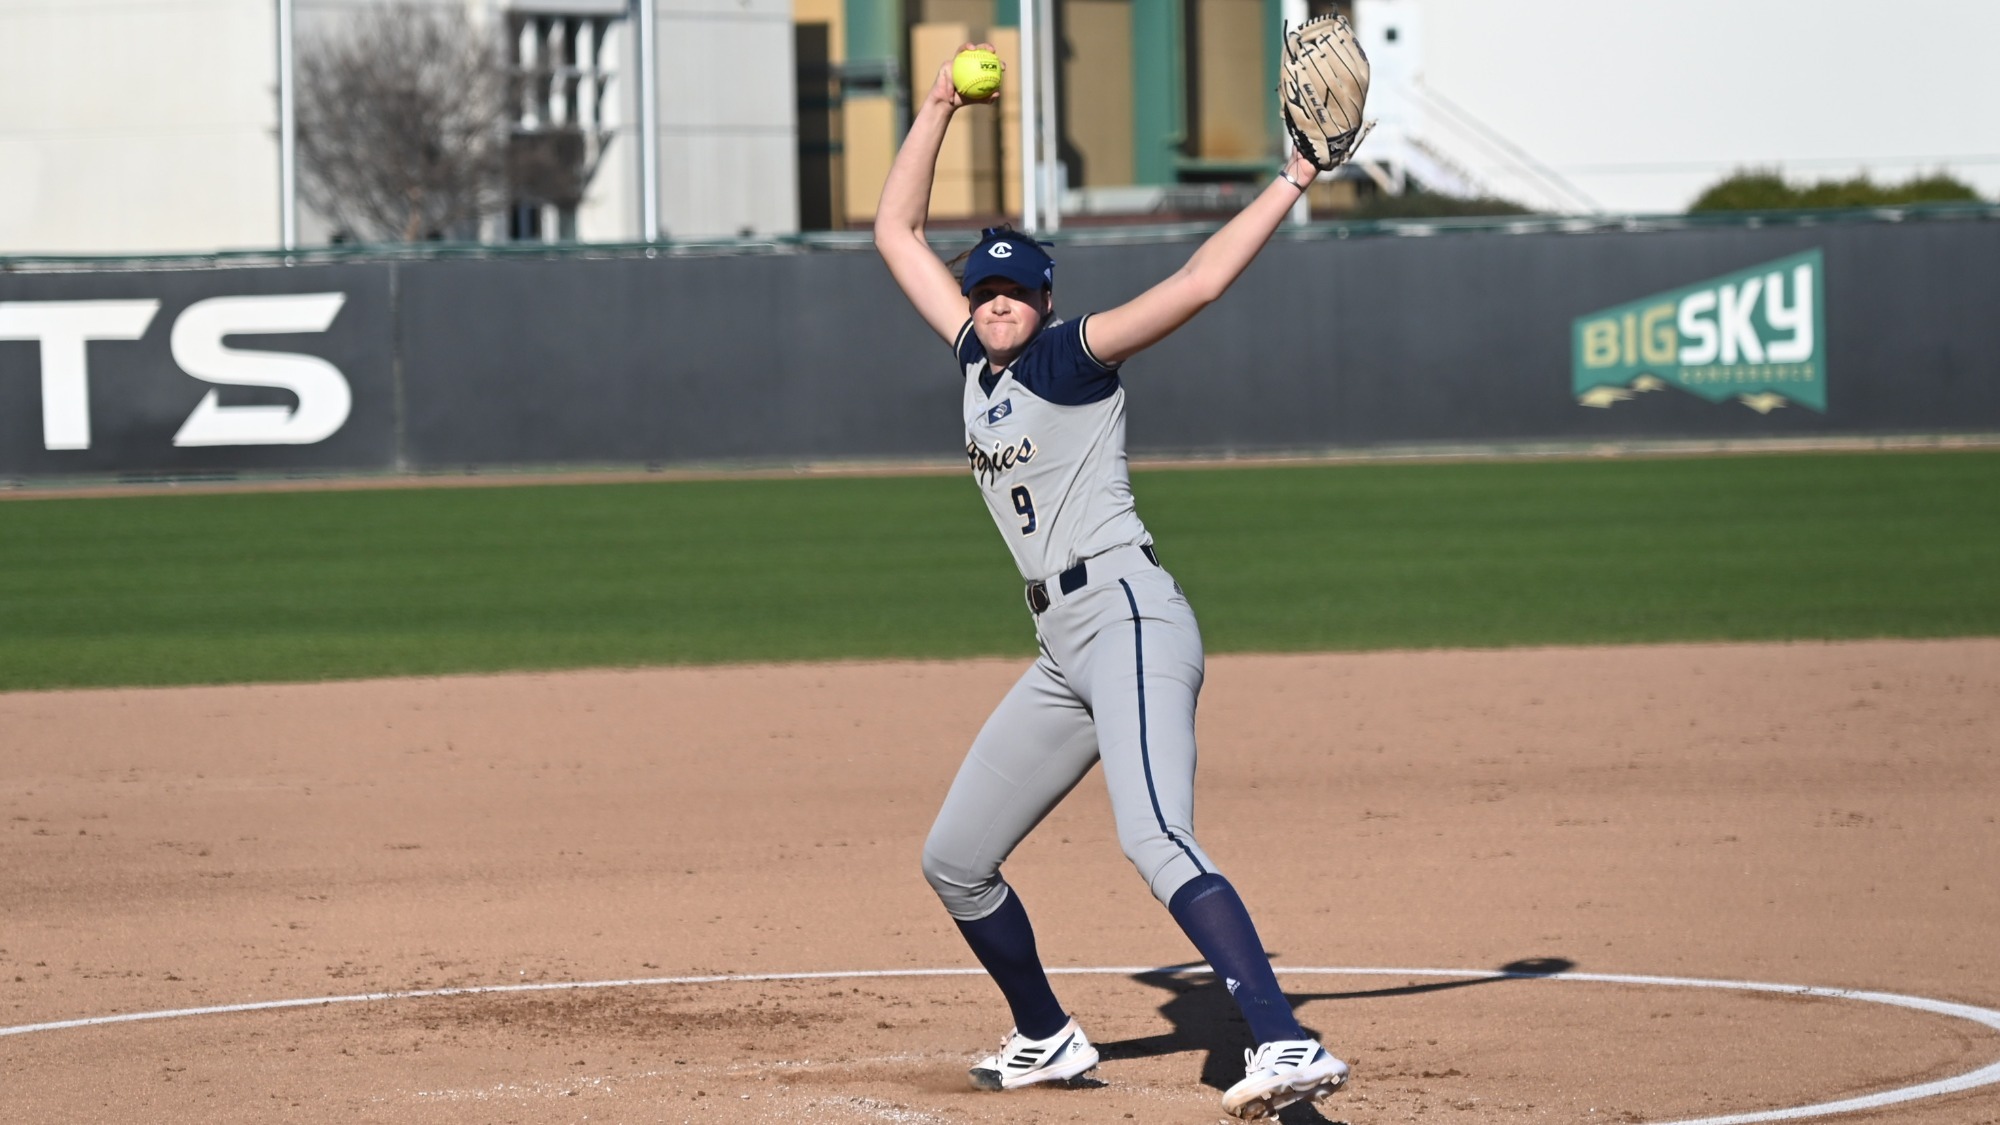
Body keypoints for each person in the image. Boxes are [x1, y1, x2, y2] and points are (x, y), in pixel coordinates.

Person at [872, 43, 1348, 1121]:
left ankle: (1284, 1039)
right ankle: (1045, 1035)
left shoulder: (1069, 358)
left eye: (1013, 290)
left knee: (1155, 837)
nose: (995, 302)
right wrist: (937, 104)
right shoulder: (973, 360)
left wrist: (1292, 179)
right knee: (955, 859)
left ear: (1044, 300)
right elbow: (895, 232)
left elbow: (1198, 282)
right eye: (983, 289)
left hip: (1128, 616)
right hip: (1061, 650)